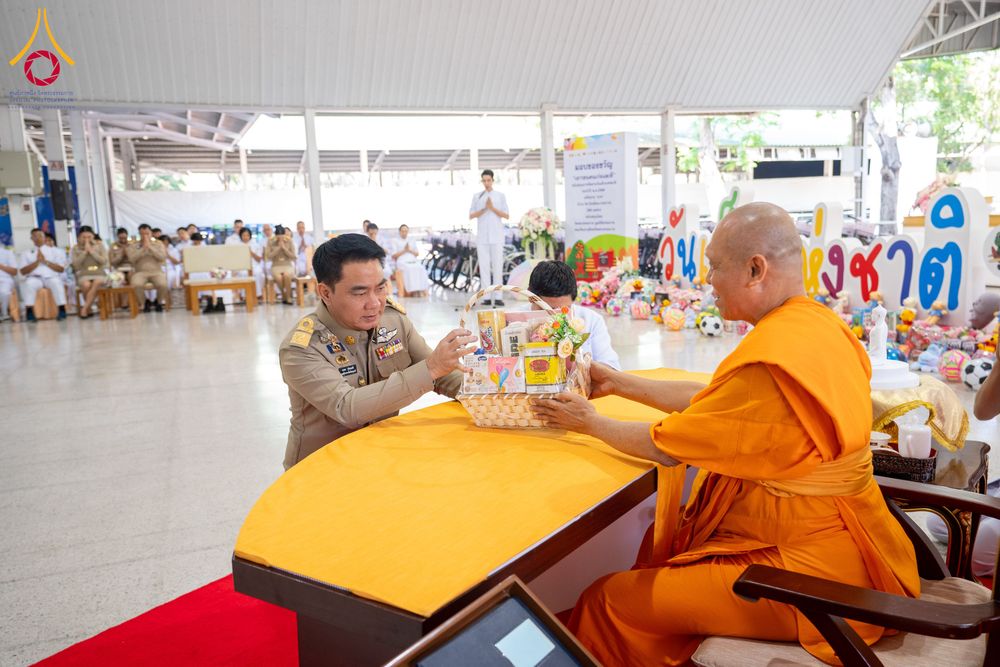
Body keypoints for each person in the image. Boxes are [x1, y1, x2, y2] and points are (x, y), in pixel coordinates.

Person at [531, 203, 919, 665]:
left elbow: (666, 446)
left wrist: (588, 423)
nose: (707, 281)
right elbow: (714, 401)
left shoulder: (775, 354)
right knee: (665, 541)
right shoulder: (819, 326)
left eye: (715, 266)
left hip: (806, 573)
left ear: (756, 269)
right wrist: (618, 382)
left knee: (608, 599)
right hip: (850, 539)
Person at [279, 233, 475, 469]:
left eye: (381, 288)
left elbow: (444, 376)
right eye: (360, 293)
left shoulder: (394, 322)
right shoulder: (301, 348)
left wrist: (492, 392)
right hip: (320, 468)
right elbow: (347, 408)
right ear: (326, 293)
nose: (375, 303)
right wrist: (431, 368)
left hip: (381, 456)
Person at [528, 261, 621, 370]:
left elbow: (612, 367)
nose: (555, 318)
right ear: (530, 296)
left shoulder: (591, 320)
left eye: (563, 310)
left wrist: (583, 366)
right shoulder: (509, 322)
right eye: (547, 309)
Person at [468, 169, 509, 305]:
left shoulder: (500, 196)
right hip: (482, 237)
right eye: (484, 180)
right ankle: (485, 297)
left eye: (489, 180)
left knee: (497, 266)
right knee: (484, 267)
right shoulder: (477, 196)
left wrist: (492, 208)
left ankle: (498, 296)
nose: (486, 183)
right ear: (482, 181)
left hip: (497, 236)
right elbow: (471, 215)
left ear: (492, 180)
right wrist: (485, 209)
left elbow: (506, 215)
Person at [19, 227, 68, 321]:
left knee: (57, 284)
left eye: (40, 235)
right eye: (35, 236)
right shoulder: (26, 253)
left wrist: (45, 262)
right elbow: (22, 271)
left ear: (44, 237)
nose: (37, 238)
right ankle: (29, 312)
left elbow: (61, 269)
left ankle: (62, 310)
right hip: (35, 278)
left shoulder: (56, 251)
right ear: (31, 238)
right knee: (29, 284)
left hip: (51, 277)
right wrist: (37, 262)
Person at [126, 223, 168, 313]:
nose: (145, 236)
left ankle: (159, 302)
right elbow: (132, 259)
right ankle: (144, 303)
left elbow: (162, 257)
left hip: (156, 272)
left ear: (151, 233)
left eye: (147, 233)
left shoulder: (158, 243)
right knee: (136, 284)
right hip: (140, 272)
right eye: (142, 234)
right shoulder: (133, 245)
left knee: (163, 284)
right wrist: (143, 249)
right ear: (139, 234)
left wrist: (150, 248)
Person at [70, 226, 108, 318]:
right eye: (84, 237)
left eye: (89, 237)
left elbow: (103, 261)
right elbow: (75, 264)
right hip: (84, 273)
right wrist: (84, 253)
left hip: (99, 272)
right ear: (79, 237)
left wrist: (92, 252)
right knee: (86, 285)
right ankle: (89, 308)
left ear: (93, 236)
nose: (86, 239)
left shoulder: (100, 246)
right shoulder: (75, 248)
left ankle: (85, 308)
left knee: (96, 282)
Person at [389, 224, 429, 297]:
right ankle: (410, 291)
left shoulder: (412, 240)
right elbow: (394, 255)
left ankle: (419, 290)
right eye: (403, 231)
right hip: (401, 260)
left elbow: (417, 254)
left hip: (412, 259)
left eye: (406, 231)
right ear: (399, 232)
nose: (404, 233)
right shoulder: (395, 241)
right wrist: (404, 250)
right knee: (409, 269)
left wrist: (409, 250)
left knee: (421, 268)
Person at [267, 225, 297, 304]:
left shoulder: (289, 241)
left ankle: (288, 296)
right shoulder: (270, 241)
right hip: (275, 265)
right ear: (275, 235)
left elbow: (293, 256)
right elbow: (269, 256)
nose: (280, 238)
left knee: (287, 275)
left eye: (282, 236)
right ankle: (284, 295)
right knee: (279, 278)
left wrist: (284, 248)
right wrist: (278, 248)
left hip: (287, 264)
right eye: (278, 236)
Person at [238, 226, 265, 299]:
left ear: (250, 236)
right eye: (244, 235)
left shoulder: (256, 245)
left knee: (257, 273)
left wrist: (251, 252)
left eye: (247, 235)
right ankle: (245, 295)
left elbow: (259, 259)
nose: (245, 237)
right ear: (240, 236)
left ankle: (258, 294)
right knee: (243, 273)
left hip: (255, 265)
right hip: (243, 266)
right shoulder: (238, 246)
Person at [0, 244, 18, 321]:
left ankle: (4, 313)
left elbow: (14, 271)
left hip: (5, 279)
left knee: (4, 292)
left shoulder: (7, 253)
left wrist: (1, 266)